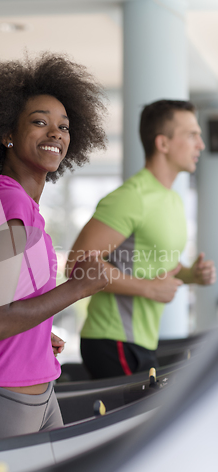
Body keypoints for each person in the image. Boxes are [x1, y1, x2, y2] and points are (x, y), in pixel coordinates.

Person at [0, 53, 109, 442]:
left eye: (63, 127)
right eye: (39, 122)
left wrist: (32, 331)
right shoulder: (10, 208)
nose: (56, 133)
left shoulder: (12, 203)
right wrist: (77, 288)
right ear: (7, 133)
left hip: (38, 394)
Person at [66, 99, 216, 379]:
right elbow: (77, 264)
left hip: (141, 341)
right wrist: (148, 289)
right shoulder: (132, 198)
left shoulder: (171, 199)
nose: (201, 145)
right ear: (163, 143)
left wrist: (190, 274)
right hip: (112, 340)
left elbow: (150, 265)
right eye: (192, 135)